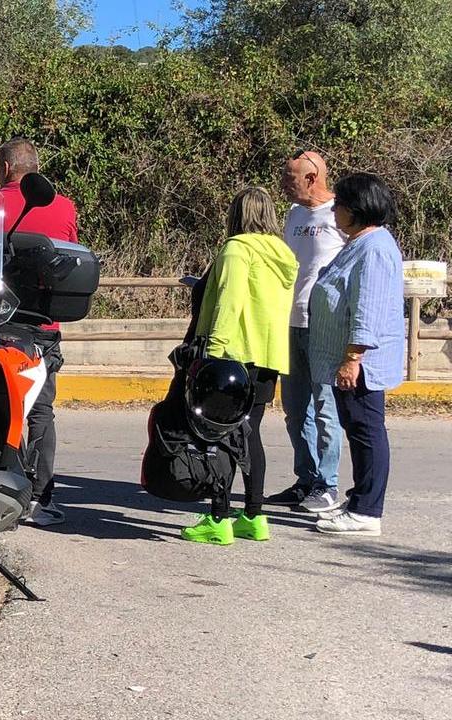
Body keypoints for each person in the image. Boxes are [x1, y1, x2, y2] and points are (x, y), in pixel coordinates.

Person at [180, 187, 298, 545]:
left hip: (233, 354)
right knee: (251, 433)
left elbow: (228, 304)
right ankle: (254, 515)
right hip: (268, 356)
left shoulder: (237, 250)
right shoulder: (284, 254)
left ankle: (218, 516)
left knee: (221, 435)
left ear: (236, 214)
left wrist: (211, 352)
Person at [308, 173, 406, 536]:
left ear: (357, 209)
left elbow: (369, 308)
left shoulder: (376, 247)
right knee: (359, 429)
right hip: (349, 358)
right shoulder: (360, 243)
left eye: (340, 206)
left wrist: (353, 358)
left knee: (366, 430)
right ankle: (361, 499)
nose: (334, 211)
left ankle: (367, 510)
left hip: (361, 362)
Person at [0, 138, 79, 527]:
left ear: (7, 169)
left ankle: (1, 493)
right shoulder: (64, 207)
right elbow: (71, 261)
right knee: (41, 411)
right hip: (44, 326)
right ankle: (43, 498)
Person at [267, 150, 348, 513]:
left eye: (291, 177)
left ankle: (328, 485)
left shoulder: (340, 215)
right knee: (295, 410)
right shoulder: (294, 214)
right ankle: (307, 479)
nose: (285, 182)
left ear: (312, 178)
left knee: (325, 408)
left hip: (323, 327)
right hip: (290, 323)